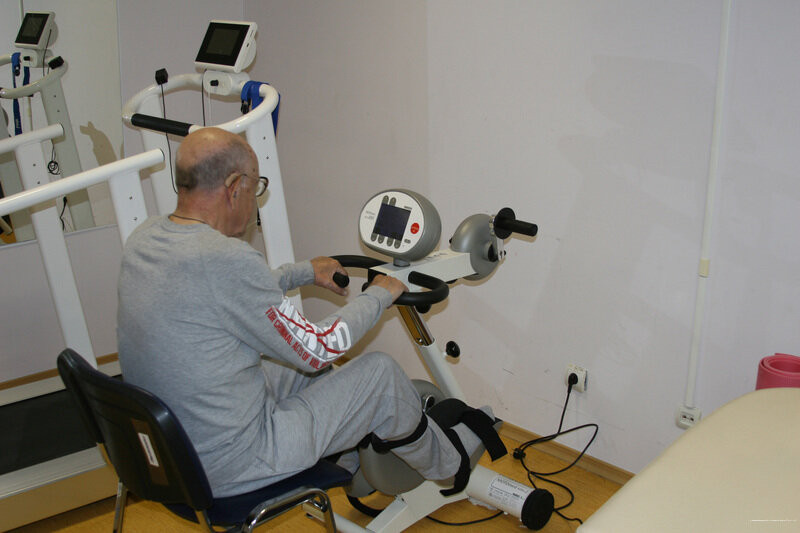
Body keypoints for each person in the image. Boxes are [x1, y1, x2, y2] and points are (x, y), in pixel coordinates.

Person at [117, 127, 488, 498]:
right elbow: (316, 348)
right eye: (255, 187)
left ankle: (347, 457)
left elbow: (229, 292)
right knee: (379, 374)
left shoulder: (146, 237)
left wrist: (304, 272)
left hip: (172, 451)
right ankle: (451, 466)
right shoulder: (226, 259)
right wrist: (378, 295)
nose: (254, 200)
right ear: (234, 186)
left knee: (298, 369)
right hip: (232, 463)